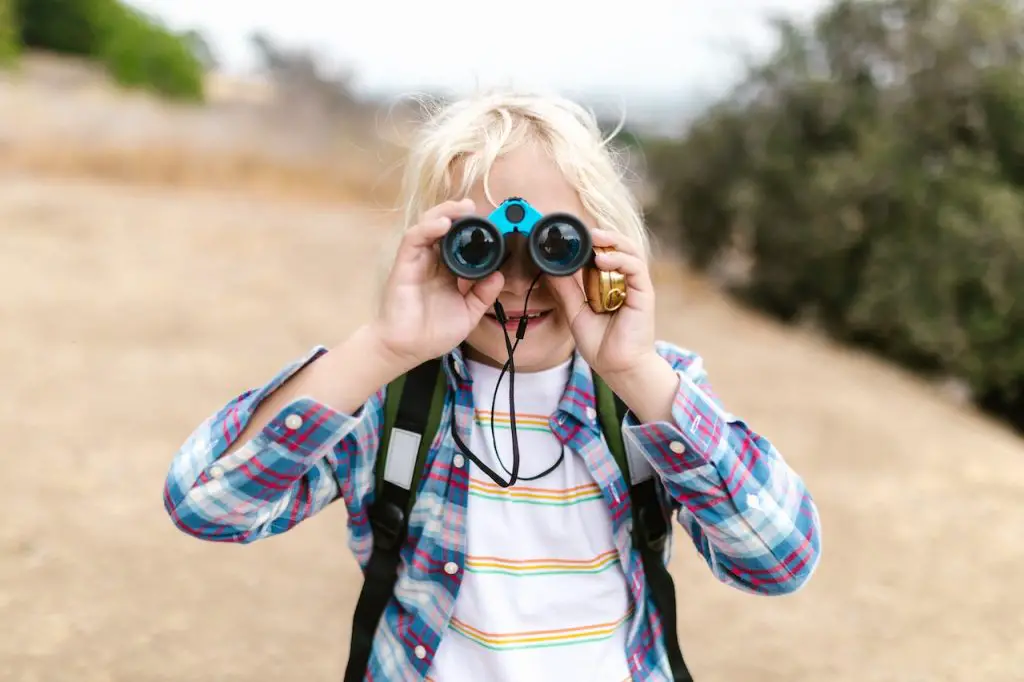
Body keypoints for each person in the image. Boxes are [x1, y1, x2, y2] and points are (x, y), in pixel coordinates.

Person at [163, 91, 822, 682]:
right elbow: (205, 507)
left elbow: (779, 562)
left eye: (553, 246)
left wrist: (634, 370)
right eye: (476, 246)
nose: (514, 281)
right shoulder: (386, 399)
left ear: (605, 252)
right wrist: (383, 347)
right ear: (427, 251)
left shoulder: (652, 396)